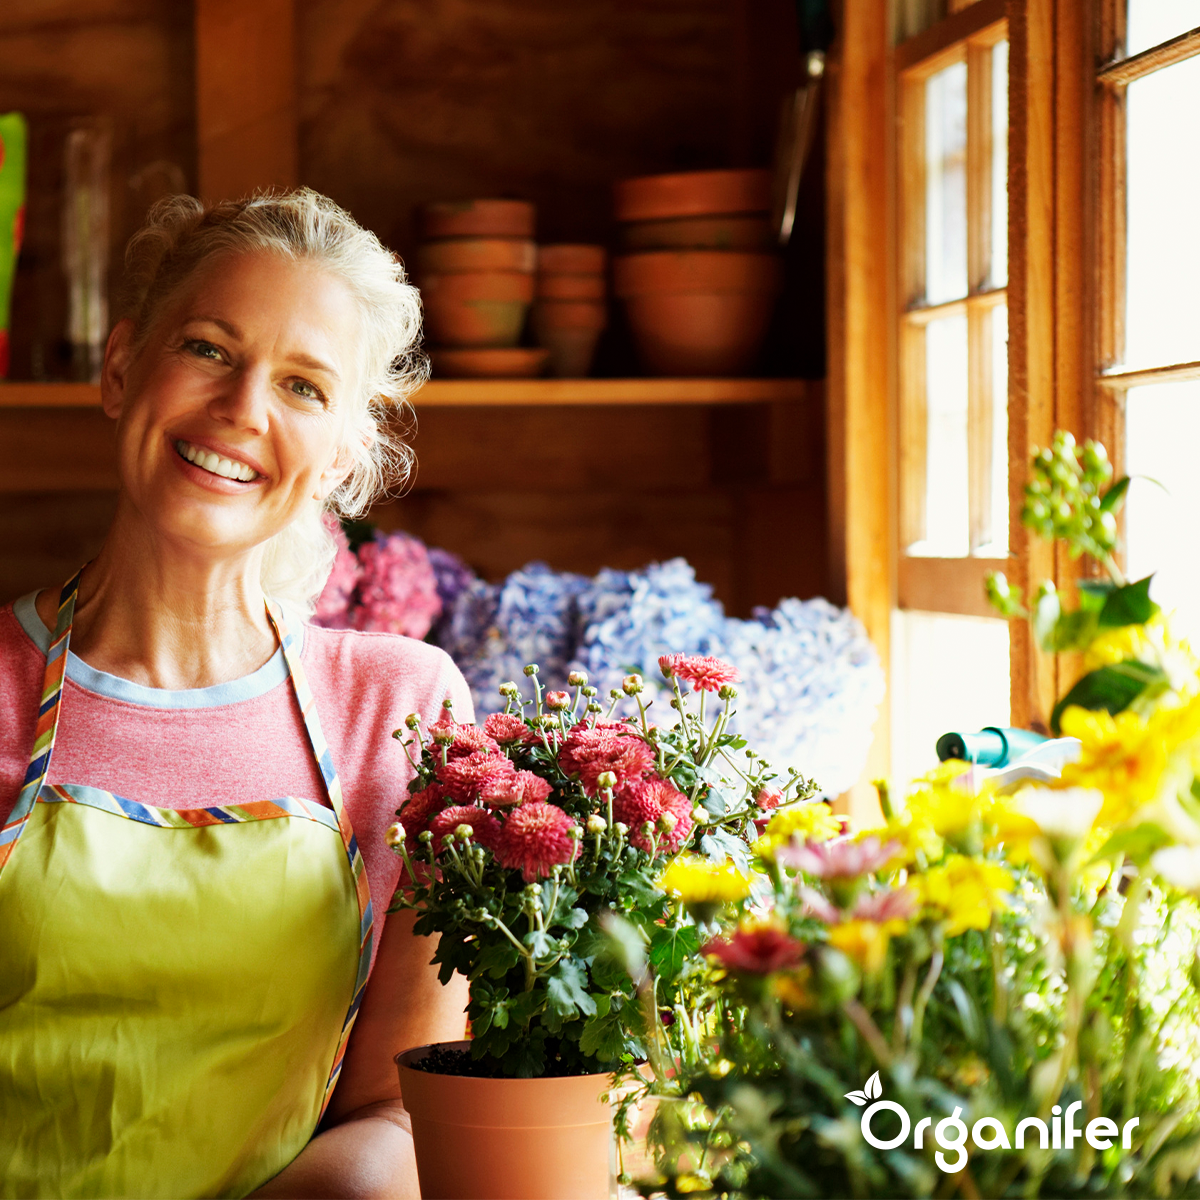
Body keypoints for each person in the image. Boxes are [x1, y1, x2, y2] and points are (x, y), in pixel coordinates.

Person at [0, 190, 471, 1199]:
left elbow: (404, 1111)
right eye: (209, 349)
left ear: (342, 452)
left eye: (303, 386)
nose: (244, 408)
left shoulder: (400, 712)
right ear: (121, 367)